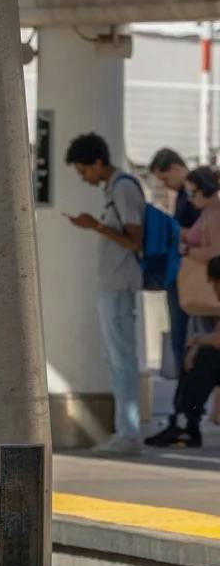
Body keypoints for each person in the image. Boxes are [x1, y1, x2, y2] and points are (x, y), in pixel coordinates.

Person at [65, 133, 148, 455]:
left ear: (99, 162)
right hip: (114, 284)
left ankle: (128, 435)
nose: (85, 178)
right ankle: (124, 431)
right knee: (116, 359)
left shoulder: (123, 188)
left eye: (85, 171)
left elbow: (134, 240)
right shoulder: (115, 188)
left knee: (122, 359)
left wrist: (95, 226)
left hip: (120, 284)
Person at [151, 172, 220, 447]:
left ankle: (184, 422)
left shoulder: (214, 214)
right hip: (203, 302)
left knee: (198, 360)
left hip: (205, 304)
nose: (189, 200)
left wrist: (185, 250)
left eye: (192, 193)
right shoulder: (210, 213)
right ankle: (184, 421)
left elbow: (215, 251)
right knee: (196, 359)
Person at [155, 148, 199, 377]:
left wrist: (173, 229)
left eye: (165, 179)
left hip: (191, 275)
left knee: (184, 336)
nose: (165, 185)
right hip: (182, 273)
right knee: (180, 335)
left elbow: (201, 233)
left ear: (175, 168)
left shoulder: (193, 194)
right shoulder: (184, 195)